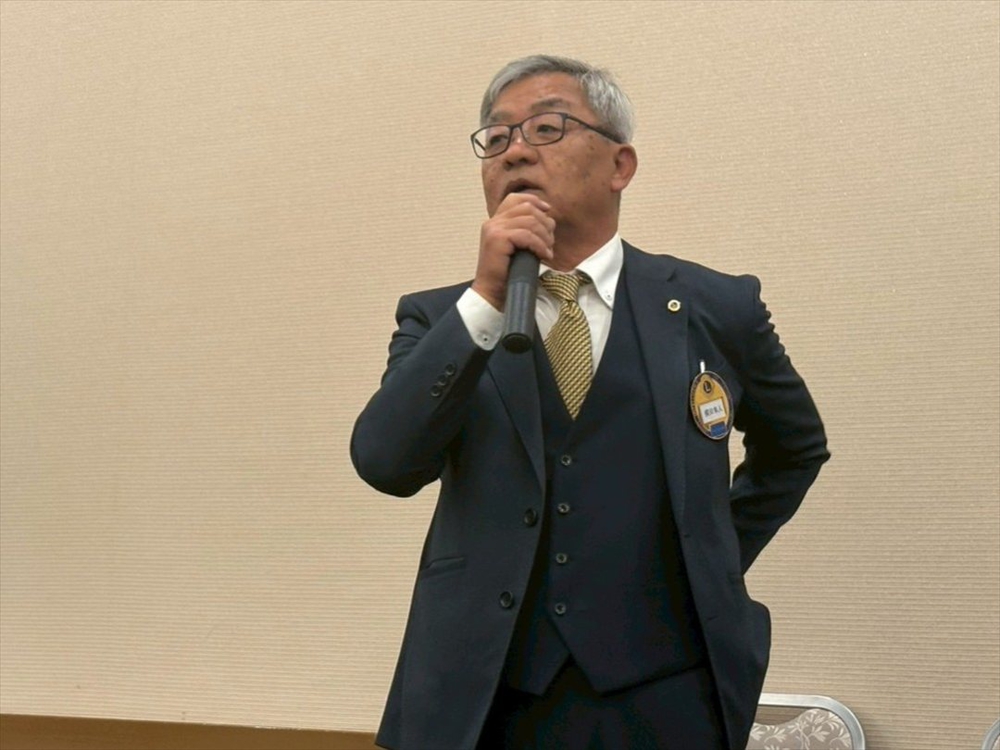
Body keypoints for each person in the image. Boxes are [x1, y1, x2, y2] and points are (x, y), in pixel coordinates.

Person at [351, 54, 829, 750]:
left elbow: (796, 449)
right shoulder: (439, 319)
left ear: (620, 165)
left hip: (667, 694)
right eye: (496, 137)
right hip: (483, 696)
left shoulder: (715, 307)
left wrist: (711, 556)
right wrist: (485, 300)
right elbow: (384, 462)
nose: (515, 150)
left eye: (547, 128)